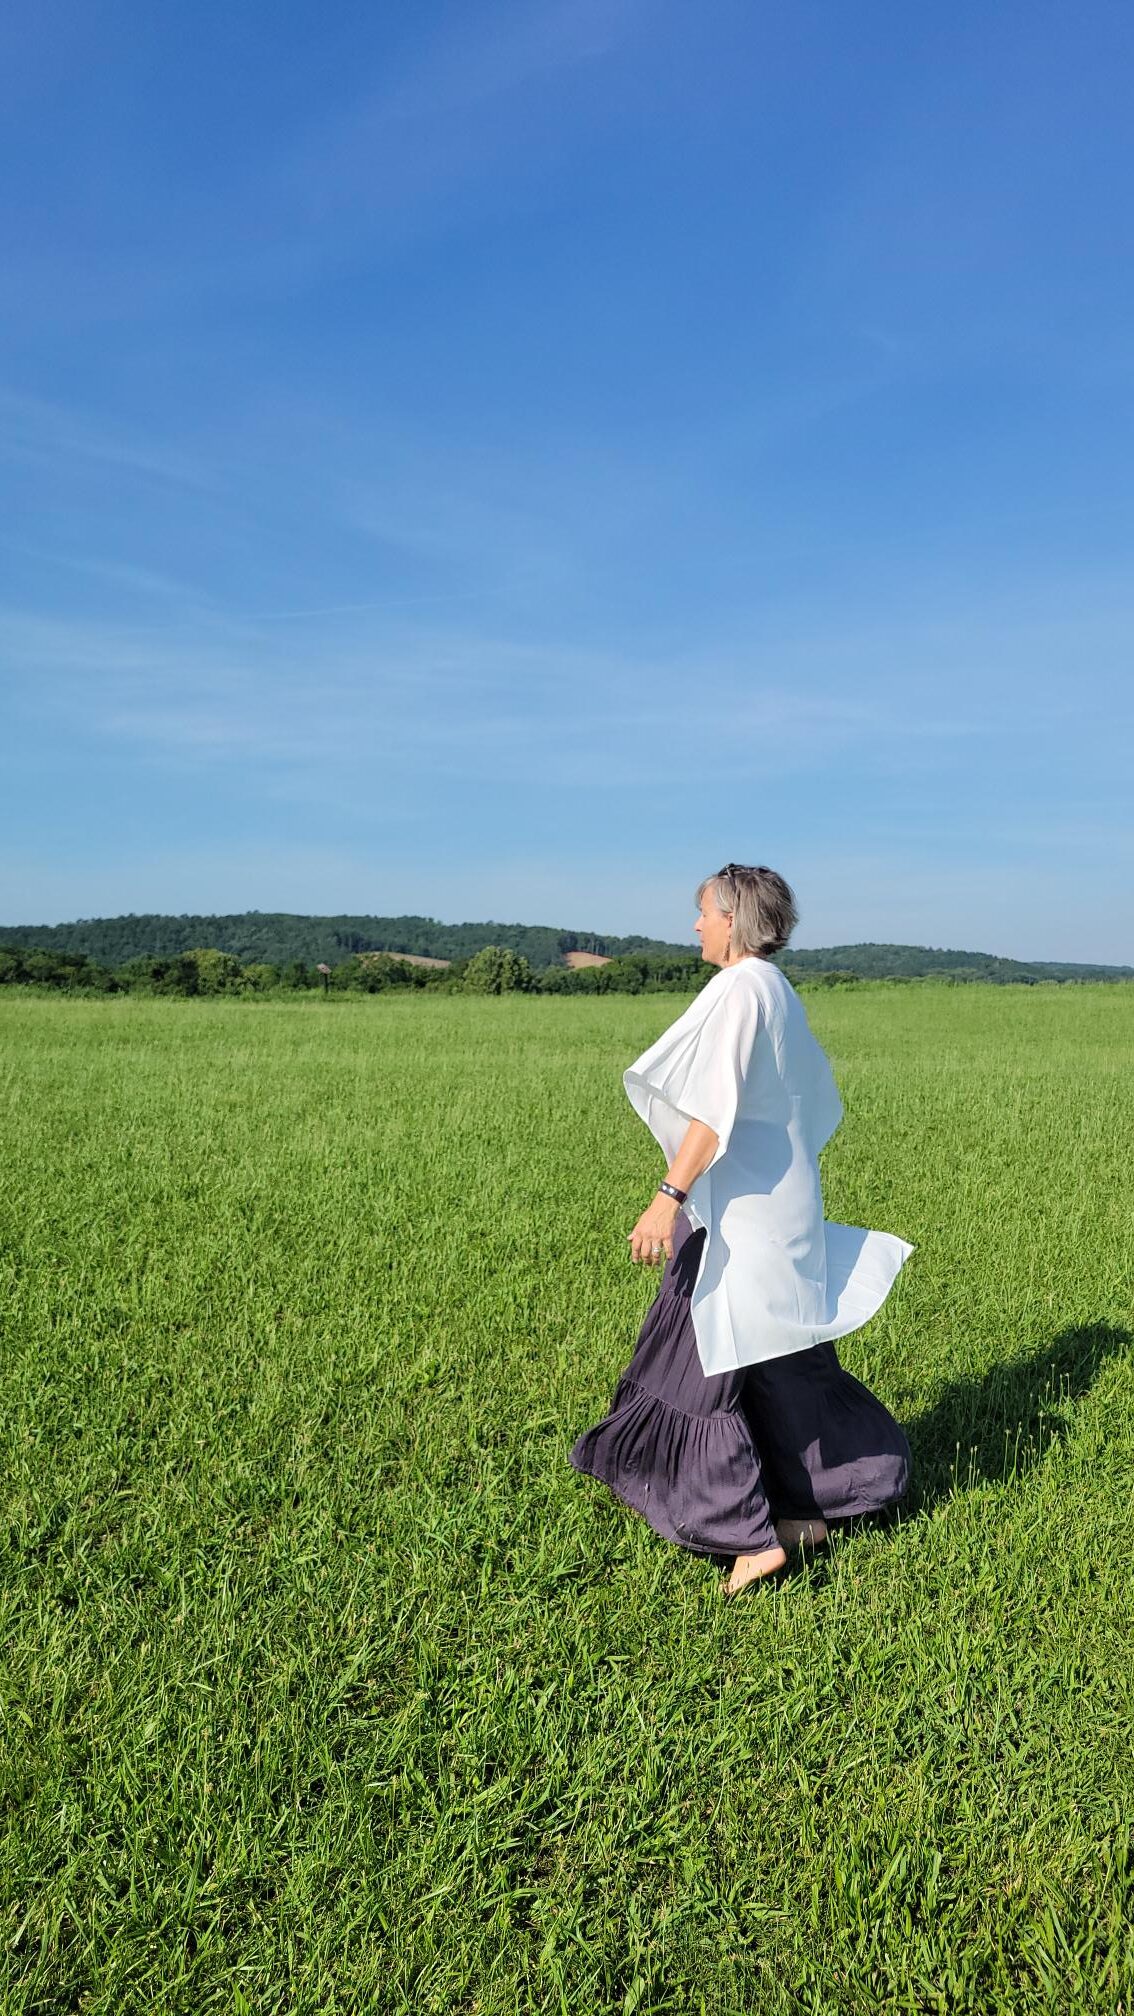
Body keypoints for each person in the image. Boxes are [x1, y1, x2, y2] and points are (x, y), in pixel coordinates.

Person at [569, 863, 915, 1598]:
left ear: (732, 919)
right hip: (777, 1216)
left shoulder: (737, 990)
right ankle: (811, 1510)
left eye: (703, 912)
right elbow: (810, 1102)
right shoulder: (776, 988)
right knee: (779, 1368)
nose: (695, 924)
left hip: (739, 1227)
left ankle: (748, 1538)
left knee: (697, 1373)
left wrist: (667, 1198)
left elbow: (713, 1111)